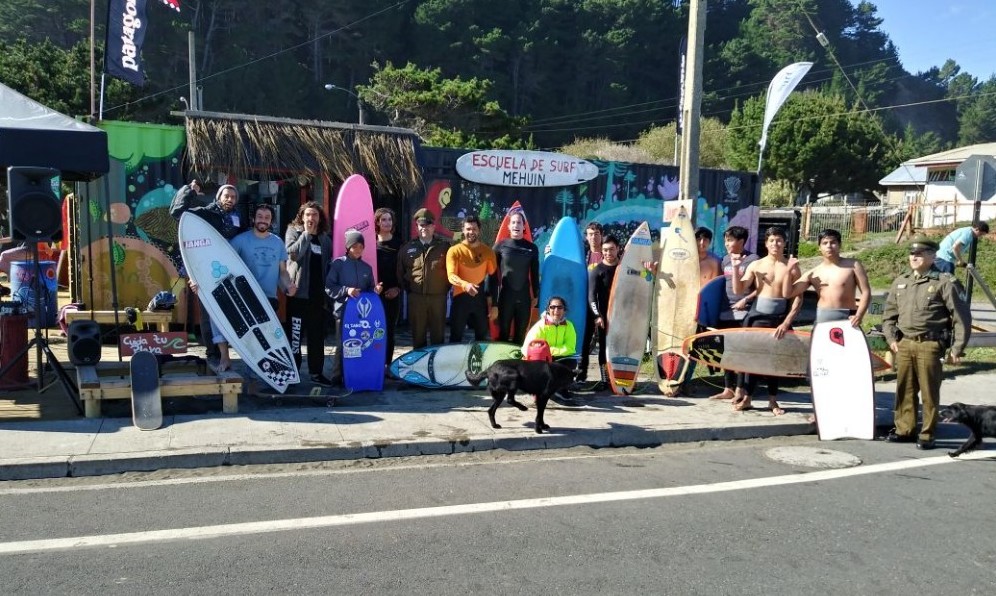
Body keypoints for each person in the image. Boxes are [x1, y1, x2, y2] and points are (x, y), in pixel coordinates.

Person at [881, 234, 971, 450]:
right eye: (912, 253)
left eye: (920, 254)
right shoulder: (901, 282)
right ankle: (905, 429)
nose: (914, 257)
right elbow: (889, 316)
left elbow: (961, 318)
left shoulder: (945, 282)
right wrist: (892, 338)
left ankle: (928, 433)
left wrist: (957, 348)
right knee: (905, 389)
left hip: (930, 345)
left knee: (929, 391)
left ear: (932, 256)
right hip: (905, 344)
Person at [170, 180, 247, 365]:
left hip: (229, 271)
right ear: (218, 197)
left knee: (228, 311)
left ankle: (227, 352)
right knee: (208, 312)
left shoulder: (238, 217)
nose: (230, 199)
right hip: (207, 269)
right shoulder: (207, 212)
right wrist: (189, 191)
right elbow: (177, 213)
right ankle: (212, 353)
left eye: (233, 196)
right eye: (226, 196)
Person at [730, 226, 802, 415]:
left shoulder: (791, 266)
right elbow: (739, 290)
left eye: (779, 240)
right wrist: (736, 268)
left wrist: (786, 322)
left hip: (779, 318)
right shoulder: (757, 265)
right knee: (754, 359)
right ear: (766, 243)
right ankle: (748, 397)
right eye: (771, 240)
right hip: (757, 317)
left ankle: (773, 400)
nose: (775, 244)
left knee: (775, 361)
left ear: (785, 243)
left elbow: (797, 298)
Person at [284, 201, 333, 385]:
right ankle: (292, 372)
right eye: (308, 215)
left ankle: (316, 373)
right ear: (302, 217)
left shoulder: (325, 239)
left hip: (318, 297)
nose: (311, 218)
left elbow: (329, 265)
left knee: (316, 338)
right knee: (295, 337)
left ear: (320, 218)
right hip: (298, 296)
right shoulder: (293, 232)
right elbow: (293, 254)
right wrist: (305, 234)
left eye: (315, 215)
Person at [326, 230, 383, 387]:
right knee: (342, 343)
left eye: (361, 246)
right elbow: (329, 287)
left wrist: (376, 289)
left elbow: (370, 288)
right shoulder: (338, 264)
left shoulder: (367, 267)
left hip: (362, 317)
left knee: (361, 343)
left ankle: (357, 373)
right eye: (354, 246)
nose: (358, 249)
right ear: (347, 247)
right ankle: (337, 376)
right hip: (343, 311)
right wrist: (346, 290)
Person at [708, 226, 758, 401]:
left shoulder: (753, 260)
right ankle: (727, 388)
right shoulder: (724, 260)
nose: (727, 244)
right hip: (725, 311)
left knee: (741, 351)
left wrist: (745, 300)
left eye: (730, 240)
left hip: (744, 312)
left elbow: (760, 288)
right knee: (726, 351)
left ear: (741, 241)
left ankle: (740, 389)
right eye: (726, 240)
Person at [784, 228, 871, 327]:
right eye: (825, 243)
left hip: (848, 317)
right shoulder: (813, 273)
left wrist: (859, 315)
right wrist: (788, 272)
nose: (829, 246)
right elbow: (788, 293)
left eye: (833, 242)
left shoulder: (853, 265)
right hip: (823, 317)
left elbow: (866, 292)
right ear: (819, 247)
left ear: (840, 245)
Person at [398, 208, 451, 349]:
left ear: (434, 226)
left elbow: (451, 272)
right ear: (416, 227)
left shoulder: (444, 247)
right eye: (421, 225)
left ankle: (437, 364)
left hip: (438, 298)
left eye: (428, 224)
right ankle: (419, 365)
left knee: (438, 335)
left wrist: (442, 289)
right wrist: (410, 291)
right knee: (418, 335)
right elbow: (400, 272)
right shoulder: (407, 248)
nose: (424, 228)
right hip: (416, 298)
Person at [446, 215, 498, 342]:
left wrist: (494, 305)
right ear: (463, 230)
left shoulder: (488, 252)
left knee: (482, 339)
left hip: (480, 301)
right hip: (460, 300)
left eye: (474, 229)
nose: (471, 232)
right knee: (455, 337)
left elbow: (494, 279)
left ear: (479, 230)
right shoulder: (454, 251)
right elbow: (451, 276)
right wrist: (465, 285)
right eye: (468, 229)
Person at [493, 210, 540, 345]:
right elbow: (491, 274)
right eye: (513, 222)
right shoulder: (500, 246)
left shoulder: (532, 248)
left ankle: (518, 365)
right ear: (508, 226)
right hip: (506, 296)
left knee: (520, 334)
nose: (516, 225)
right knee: (504, 332)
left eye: (519, 222)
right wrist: (491, 297)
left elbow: (534, 273)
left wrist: (536, 295)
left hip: (524, 297)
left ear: (524, 226)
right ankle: (502, 363)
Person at [586, 235, 621, 391]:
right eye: (605, 250)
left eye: (611, 249)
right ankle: (605, 379)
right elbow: (591, 296)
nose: (608, 253)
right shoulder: (597, 270)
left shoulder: (624, 268)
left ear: (618, 249)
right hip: (604, 317)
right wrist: (597, 316)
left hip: (623, 316)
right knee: (604, 348)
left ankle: (621, 378)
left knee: (621, 348)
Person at [375, 207, 403, 368]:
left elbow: (405, 269)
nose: (387, 222)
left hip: (393, 293)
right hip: (374, 294)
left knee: (389, 331)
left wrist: (398, 289)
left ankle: (387, 365)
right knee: (375, 330)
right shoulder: (369, 242)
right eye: (383, 219)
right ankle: (375, 363)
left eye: (389, 219)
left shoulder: (399, 243)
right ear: (377, 222)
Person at [576, 222, 604, 382]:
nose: (594, 237)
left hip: (605, 304)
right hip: (586, 304)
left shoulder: (609, 254)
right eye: (590, 234)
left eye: (597, 233)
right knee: (584, 342)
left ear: (601, 235)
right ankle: (581, 375)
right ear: (586, 237)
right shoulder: (582, 255)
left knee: (605, 343)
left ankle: (606, 379)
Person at [522, 296, 578, 370]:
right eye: (552, 307)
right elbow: (531, 349)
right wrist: (546, 353)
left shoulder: (569, 325)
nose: (556, 310)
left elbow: (570, 348)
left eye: (560, 307)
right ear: (548, 309)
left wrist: (547, 350)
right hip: (540, 359)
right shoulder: (540, 326)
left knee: (572, 362)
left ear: (564, 310)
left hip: (557, 357)